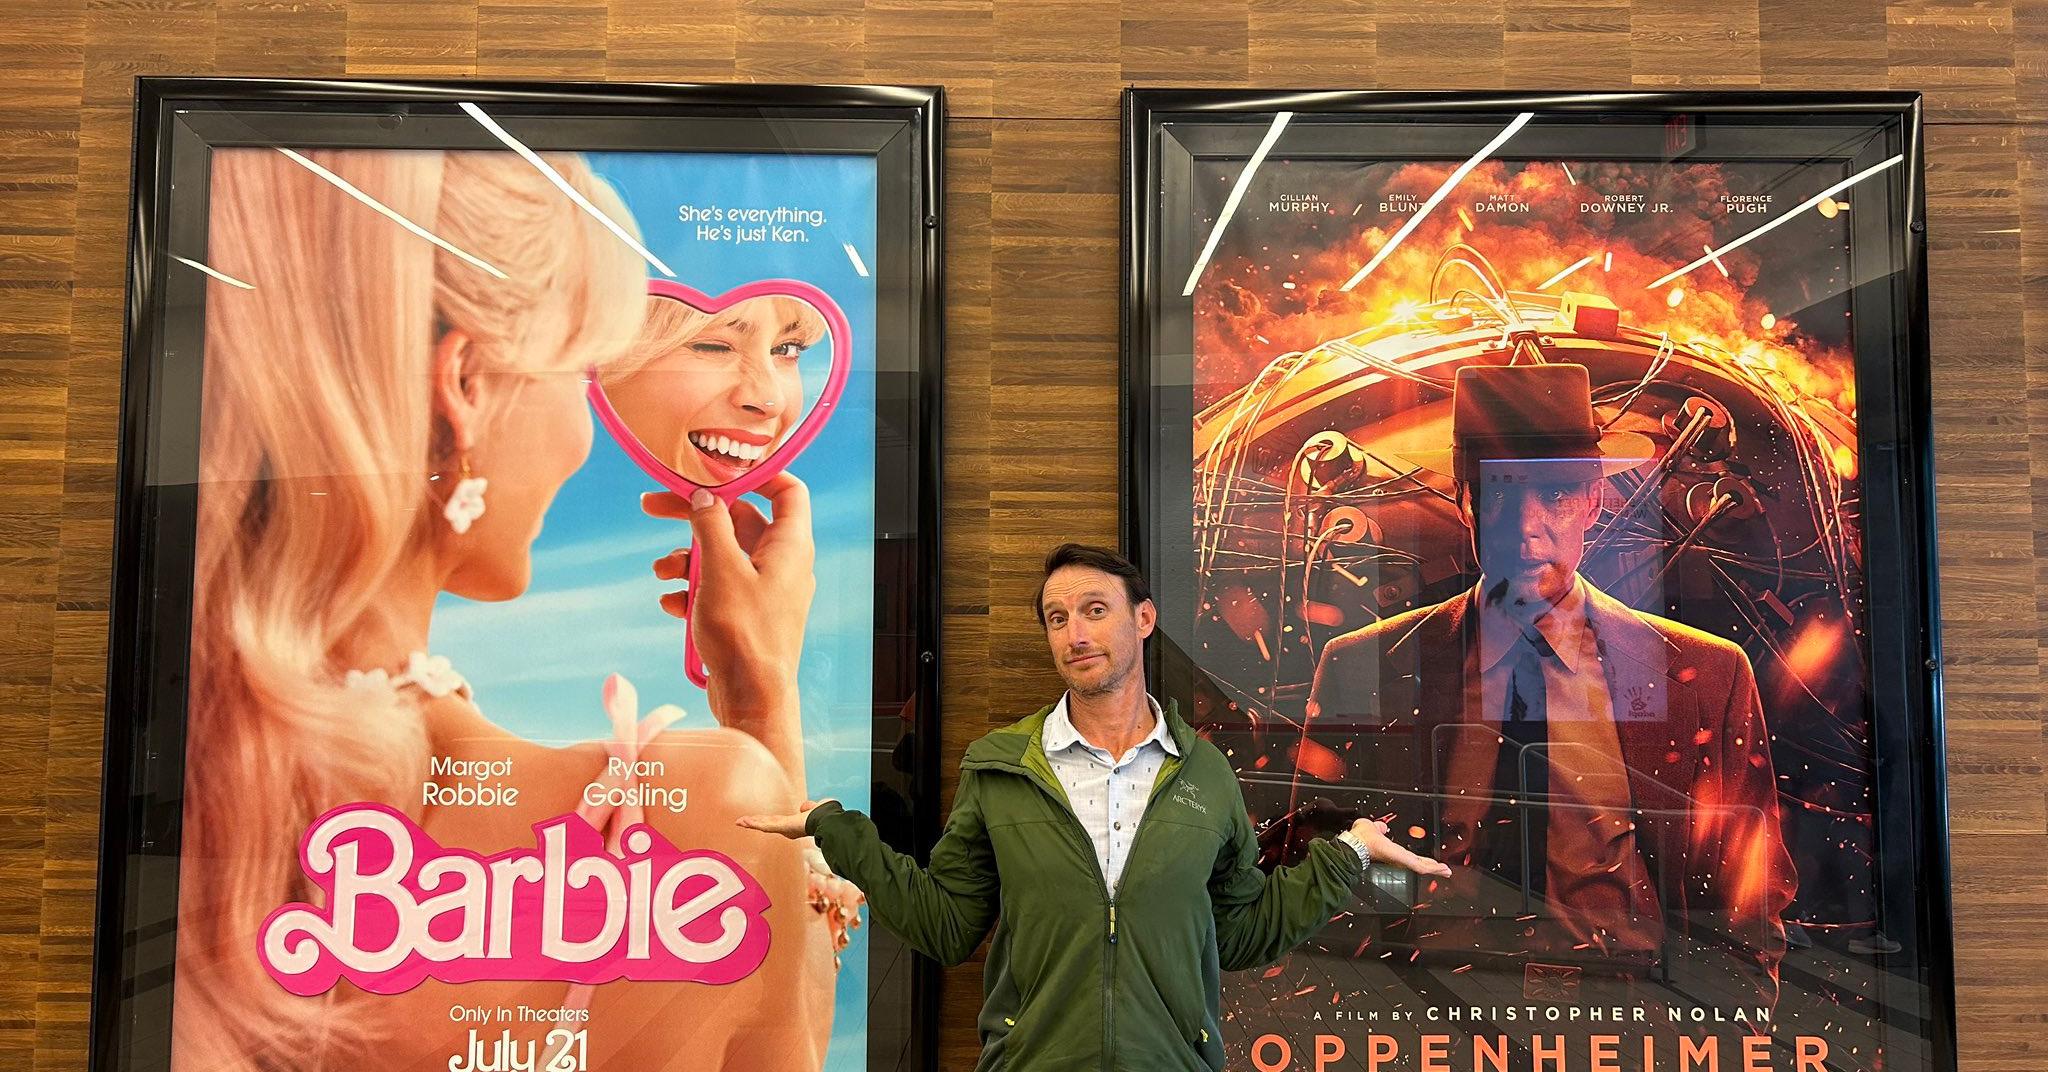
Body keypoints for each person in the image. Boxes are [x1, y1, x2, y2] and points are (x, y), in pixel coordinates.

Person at [179, 147, 835, 1071]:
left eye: (789, 349)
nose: (580, 439)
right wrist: (764, 704)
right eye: (579, 374)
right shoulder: (687, 819)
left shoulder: (180, 770)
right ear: (469, 385)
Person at [741, 543, 1452, 1070]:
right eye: (1056, 618)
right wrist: (836, 830)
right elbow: (949, 925)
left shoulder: (1201, 771)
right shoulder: (1001, 768)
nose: (1074, 634)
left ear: (1143, 619)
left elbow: (1238, 933)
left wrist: (1348, 852)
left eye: (1093, 610)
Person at [1309, 362, 1798, 1007]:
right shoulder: (1363, 666)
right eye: (1504, 494)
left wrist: (1730, 1038)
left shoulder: (1706, 675)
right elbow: (1315, 885)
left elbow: (1747, 896)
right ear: (1466, 500)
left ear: (1595, 501)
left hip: (1630, 1025)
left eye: (1558, 495)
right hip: (1434, 1021)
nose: (1529, 525)